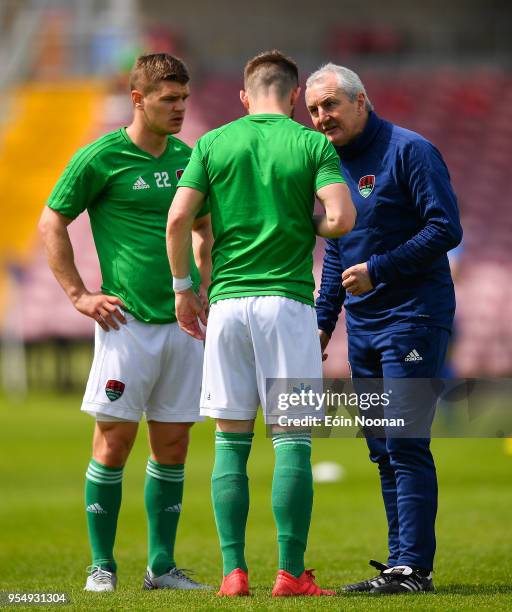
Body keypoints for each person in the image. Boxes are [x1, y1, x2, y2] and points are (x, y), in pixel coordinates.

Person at [166, 50, 356, 597]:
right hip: (287, 305)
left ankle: (233, 573)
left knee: (230, 441)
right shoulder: (312, 142)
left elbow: (179, 219)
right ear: (294, 96)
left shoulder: (213, 142)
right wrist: (302, 218)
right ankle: (291, 573)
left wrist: (184, 290)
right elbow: (342, 218)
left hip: (226, 305)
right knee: (293, 440)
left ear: (245, 97)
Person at [39, 53, 212, 593]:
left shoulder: (190, 157)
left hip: (183, 326)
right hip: (126, 324)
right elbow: (52, 222)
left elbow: (205, 228)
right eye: (169, 100)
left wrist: (202, 284)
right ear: (138, 100)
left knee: (174, 445)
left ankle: (161, 568)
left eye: (184, 98)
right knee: (113, 442)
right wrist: (79, 295)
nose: (180, 108)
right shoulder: (100, 157)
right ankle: (101, 567)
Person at [305, 63, 462, 595]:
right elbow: (336, 253)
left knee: (405, 441)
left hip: (414, 318)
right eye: (314, 110)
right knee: (381, 447)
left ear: (361, 101)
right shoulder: (327, 165)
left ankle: (414, 567)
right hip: (365, 328)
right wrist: (323, 323)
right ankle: (401, 565)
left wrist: (381, 269)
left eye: (330, 105)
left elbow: (446, 227)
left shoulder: (409, 150)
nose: (322, 117)